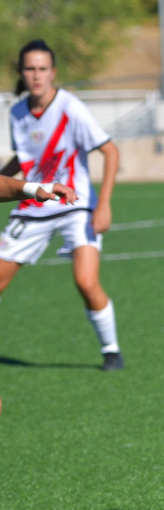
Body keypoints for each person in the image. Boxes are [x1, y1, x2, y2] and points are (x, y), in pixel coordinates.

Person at [0, 40, 123, 371]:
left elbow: (110, 151)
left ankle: (111, 350)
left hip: (75, 205)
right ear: (21, 73)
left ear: (53, 72)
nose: (36, 75)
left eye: (42, 68)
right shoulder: (16, 112)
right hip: (35, 205)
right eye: (29, 68)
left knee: (85, 282)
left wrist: (104, 205)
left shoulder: (71, 107)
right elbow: (26, 159)